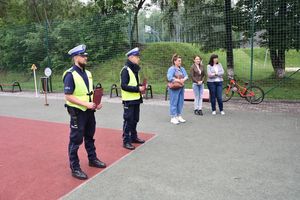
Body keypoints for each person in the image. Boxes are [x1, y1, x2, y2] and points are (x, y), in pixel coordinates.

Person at [63, 44, 106, 180]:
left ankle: (92, 159)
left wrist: (96, 103)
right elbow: (68, 95)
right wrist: (85, 104)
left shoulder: (88, 73)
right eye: (83, 55)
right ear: (76, 57)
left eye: (86, 55)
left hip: (89, 111)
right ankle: (75, 167)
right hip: (77, 112)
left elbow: (90, 91)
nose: (85, 57)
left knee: (89, 136)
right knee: (75, 140)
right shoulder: (70, 74)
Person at [120, 47, 146, 150]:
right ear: (131, 57)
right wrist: (137, 88)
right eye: (137, 57)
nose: (138, 59)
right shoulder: (125, 70)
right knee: (128, 120)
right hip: (128, 100)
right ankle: (126, 141)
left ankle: (134, 137)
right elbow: (124, 86)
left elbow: (133, 83)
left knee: (135, 119)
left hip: (136, 99)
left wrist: (140, 86)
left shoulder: (134, 69)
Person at [167, 54, 188, 125]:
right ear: (174, 61)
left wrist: (183, 79)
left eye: (180, 61)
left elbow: (186, 76)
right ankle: (173, 117)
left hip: (181, 87)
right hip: (174, 88)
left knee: (180, 102)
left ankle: (178, 115)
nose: (180, 62)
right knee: (174, 102)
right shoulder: (171, 69)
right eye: (179, 61)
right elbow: (169, 77)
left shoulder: (182, 69)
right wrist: (178, 80)